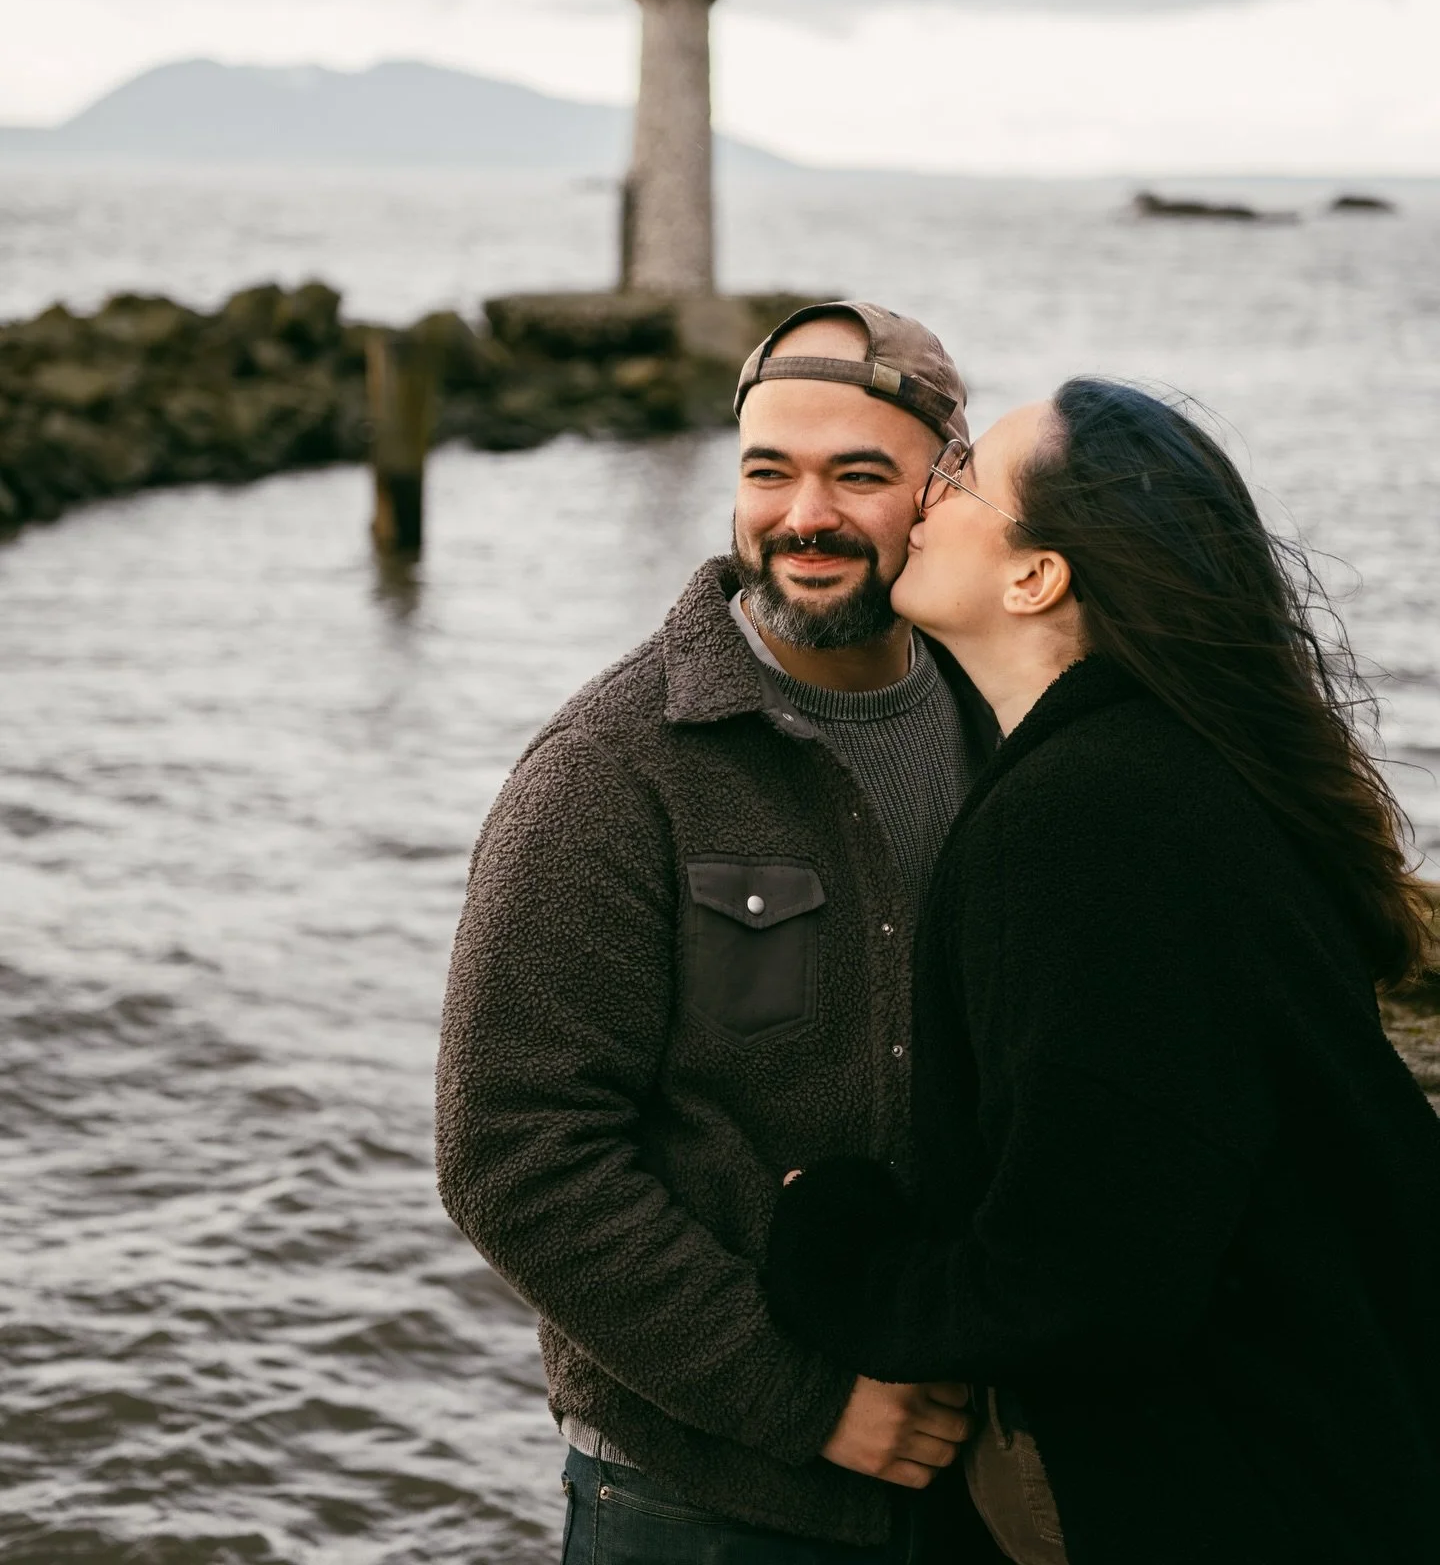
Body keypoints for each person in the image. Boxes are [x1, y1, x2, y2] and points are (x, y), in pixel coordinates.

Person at [767, 380, 1440, 1565]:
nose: (926, 494)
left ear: (1039, 576)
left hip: (1219, 1497)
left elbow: (1085, 1278)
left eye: (965, 478)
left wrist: (834, 1245)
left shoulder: (1095, 818)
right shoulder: (1162, 774)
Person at [436, 303, 1009, 1562]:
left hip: (980, 1484)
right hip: (702, 1503)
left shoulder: (1009, 729)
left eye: (861, 474)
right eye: (768, 471)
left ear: (945, 488)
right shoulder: (614, 769)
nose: (805, 513)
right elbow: (511, 1153)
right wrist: (804, 1400)